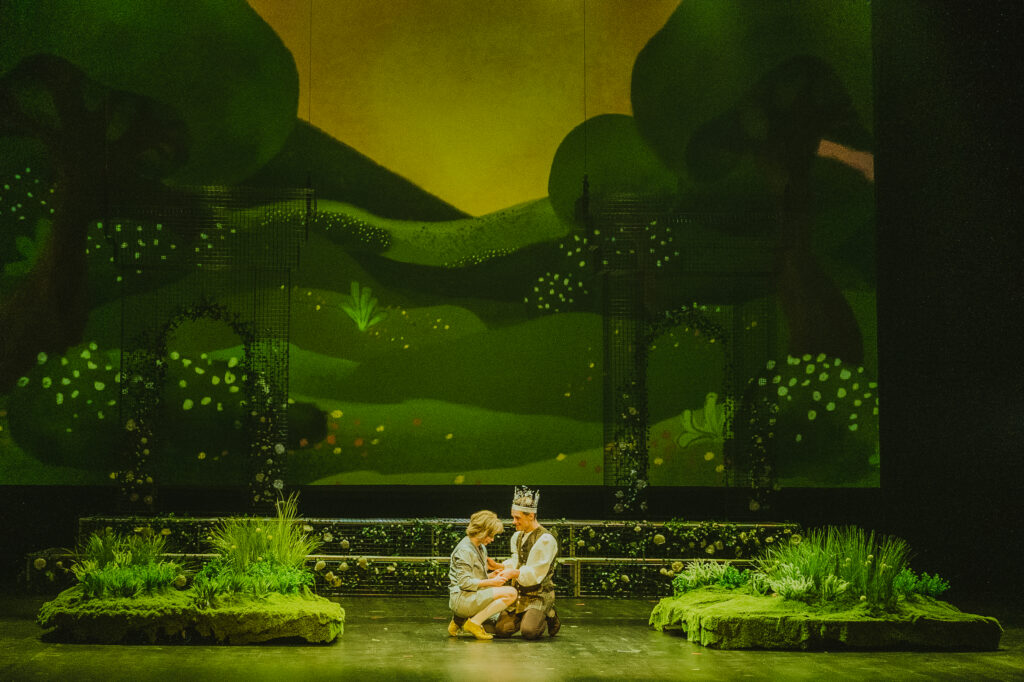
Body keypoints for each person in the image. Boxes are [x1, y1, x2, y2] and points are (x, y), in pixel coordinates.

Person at [490, 486, 561, 639]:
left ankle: (549, 613)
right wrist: (499, 566)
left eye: (518, 518)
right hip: (520, 594)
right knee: (501, 630)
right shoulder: (518, 536)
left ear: (531, 516)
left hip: (538, 594)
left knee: (529, 632)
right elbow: (517, 561)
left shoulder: (545, 539)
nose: (514, 522)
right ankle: (526, 615)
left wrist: (513, 573)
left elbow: (535, 574)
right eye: (513, 517)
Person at [447, 510, 517, 641]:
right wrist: (492, 582)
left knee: (497, 619)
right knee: (511, 593)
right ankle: (474, 623)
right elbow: (464, 583)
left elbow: (474, 578)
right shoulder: (464, 551)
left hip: (468, 596)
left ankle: (458, 621)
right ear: (482, 531)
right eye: (490, 535)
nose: (492, 539)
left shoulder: (480, 547)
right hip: (462, 600)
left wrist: (491, 576)